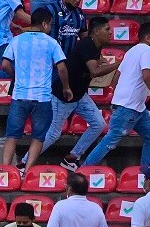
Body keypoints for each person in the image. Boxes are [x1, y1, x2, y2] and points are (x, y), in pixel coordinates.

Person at [82, 23, 150, 170]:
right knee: (110, 141)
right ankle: (83, 170)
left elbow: (116, 78)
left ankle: (146, 173)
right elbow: (147, 76)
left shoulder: (131, 51)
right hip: (128, 107)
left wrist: (121, 96)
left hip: (135, 107)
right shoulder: (147, 51)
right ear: (147, 38)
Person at [40, 16, 116, 172]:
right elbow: (95, 72)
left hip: (79, 95)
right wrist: (121, 62)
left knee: (99, 123)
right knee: (53, 134)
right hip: (63, 95)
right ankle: (25, 164)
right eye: (107, 29)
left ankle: (71, 158)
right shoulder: (87, 44)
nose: (111, 32)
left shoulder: (97, 45)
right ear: (96, 31)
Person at [2, 7, 71, 173]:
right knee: (38, 137)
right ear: (45, 24)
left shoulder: (17, 40)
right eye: (50, 25)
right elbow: (61, 68)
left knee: (12, 137)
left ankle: (4, 172)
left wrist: (16, 75)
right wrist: (66, 87)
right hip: (42, 98)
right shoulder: (51, 42)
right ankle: (27, 172)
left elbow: (5, 64)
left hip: (19, 97)